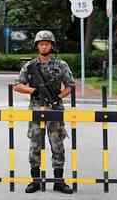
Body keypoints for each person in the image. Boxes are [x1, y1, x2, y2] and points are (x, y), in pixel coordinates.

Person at [14, 30, 75, 194]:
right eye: (41, 43)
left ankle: (58, 181)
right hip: (36, 110)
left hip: (55, 110)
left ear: (52, 46)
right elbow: (17, 85)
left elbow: (70, 85)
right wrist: (33, 90)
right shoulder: (30, 66)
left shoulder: (61, 65)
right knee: (35, 145)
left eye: (47, 43)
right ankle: (35, 181)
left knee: (57, 145)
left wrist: (59, 96)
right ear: (37, 46)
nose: (44, 46)